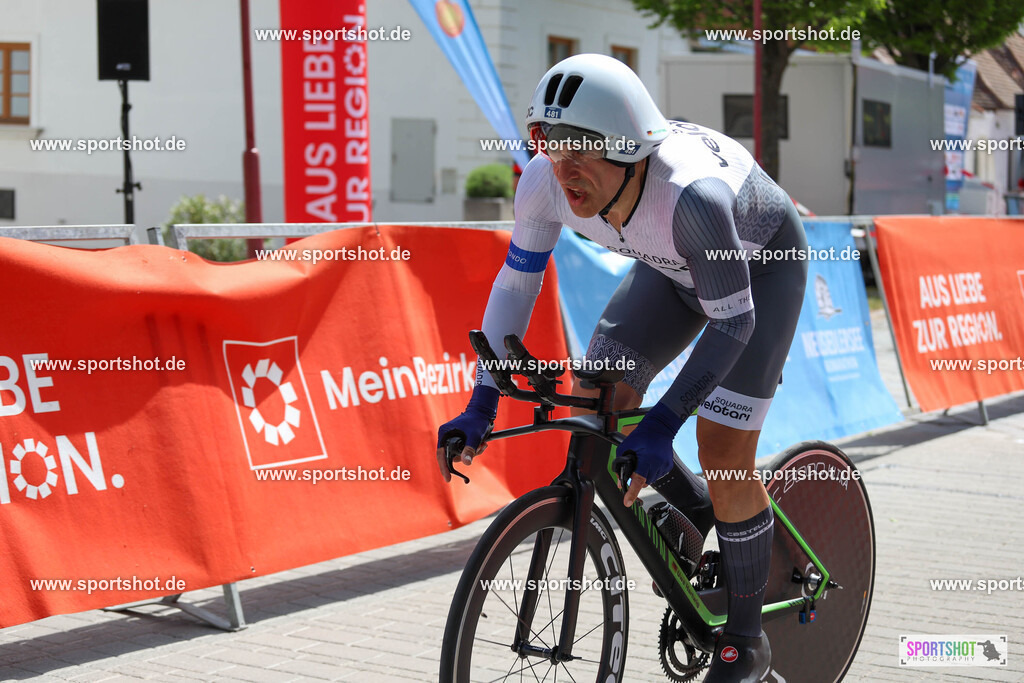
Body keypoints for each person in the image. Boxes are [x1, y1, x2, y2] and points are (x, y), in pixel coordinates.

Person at [436, 53, 808, 683]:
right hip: (670, 271)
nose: (564, 164)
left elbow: (734, 323)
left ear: (630, 148)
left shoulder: (691, 198)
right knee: (590, 404)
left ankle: (745, 645)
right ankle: (695, 522)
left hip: (756, 278)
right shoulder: (544, 181)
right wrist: (482, 400)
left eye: (581, 146)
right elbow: (517, 287)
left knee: (719, 447)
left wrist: (663, 421)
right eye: (550, 142)